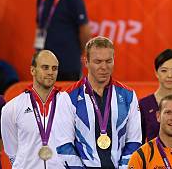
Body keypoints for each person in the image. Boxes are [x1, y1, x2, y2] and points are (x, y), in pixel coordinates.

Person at [54, 37, 142, 168]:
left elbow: (134, 141)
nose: (104, 67)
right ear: (86, 62)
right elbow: (64, 146)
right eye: (98, 61)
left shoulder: (128, 96)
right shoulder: (68, 97)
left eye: (108, 61)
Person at [1, 50, 63, 168]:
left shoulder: (68, 104)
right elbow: (11, 150)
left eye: (54, 68)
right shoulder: (12, 108)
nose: (50, 72)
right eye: (45, 67)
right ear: (32, 70)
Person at [35, 0, 92, 81]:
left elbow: (85, 30)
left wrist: (77, 53)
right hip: (45, 64)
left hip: (68, 65)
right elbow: (40, 27)